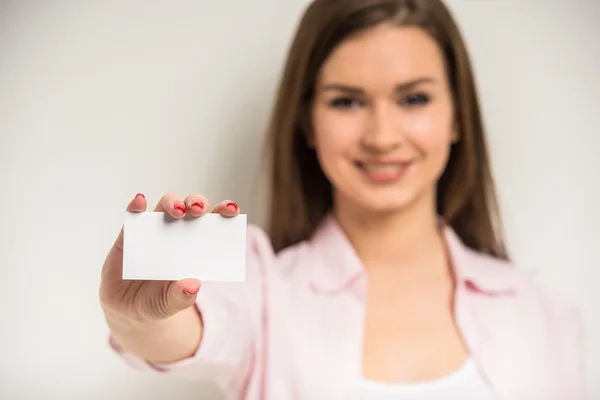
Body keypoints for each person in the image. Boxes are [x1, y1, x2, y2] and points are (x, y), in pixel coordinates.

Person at [99, 0, 585, 399]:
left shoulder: (541, 313)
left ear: (457, 117)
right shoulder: (266, 290)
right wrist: (136, 318)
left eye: (414, 99)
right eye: (346, 101)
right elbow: (187, 329)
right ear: (308, 121)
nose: (382, 136)